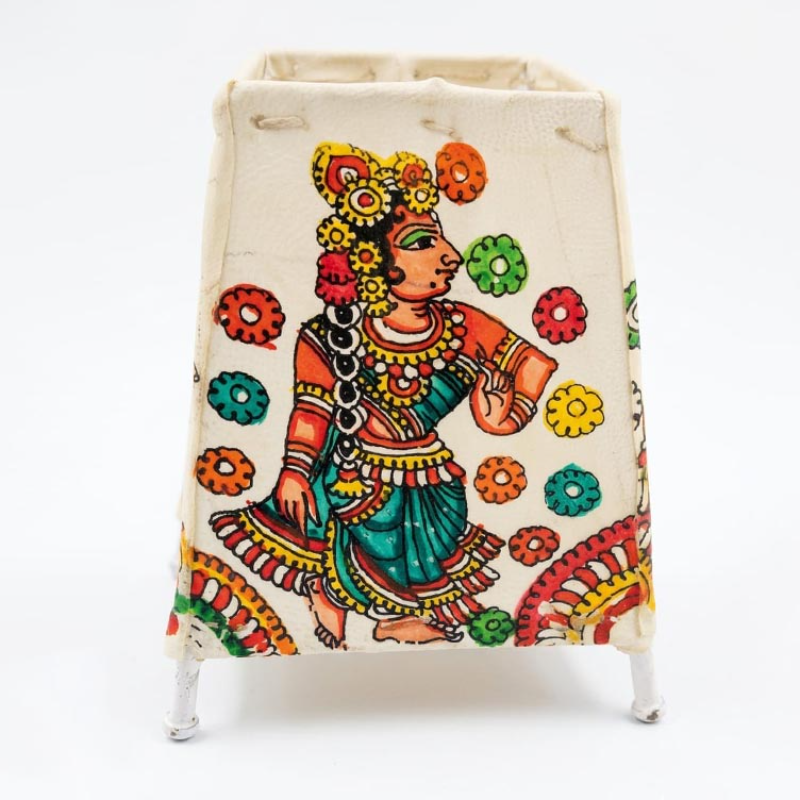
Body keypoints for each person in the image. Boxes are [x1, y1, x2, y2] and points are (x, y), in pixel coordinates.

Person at [212, 143, 558, 649]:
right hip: (354, 474)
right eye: (423, 243)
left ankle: (400, 618)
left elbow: (533, 363)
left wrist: (503, 417)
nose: (451, 256)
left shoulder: (463, 325)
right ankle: (329, 593)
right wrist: (294, 470)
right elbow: (312, 412)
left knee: (428, 546)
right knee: (345, 521)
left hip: (430, 476)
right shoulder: (328, 335)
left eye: (441, 240)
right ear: (370, 258)